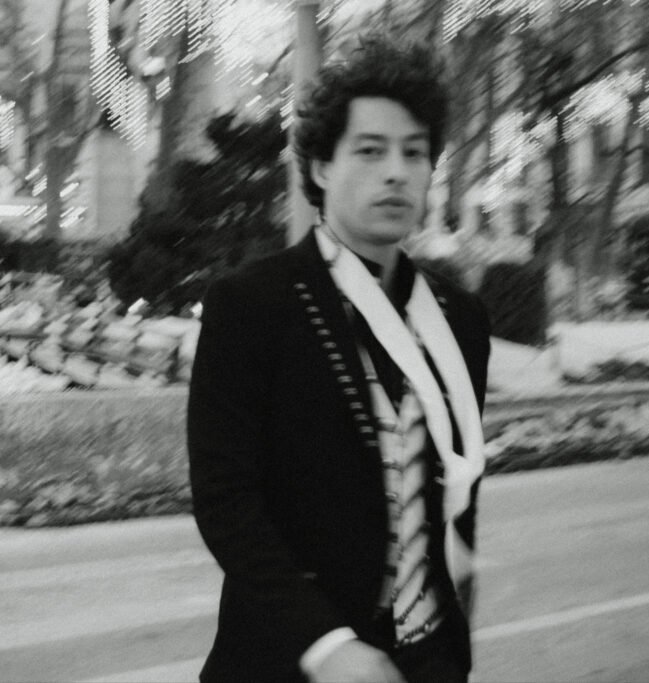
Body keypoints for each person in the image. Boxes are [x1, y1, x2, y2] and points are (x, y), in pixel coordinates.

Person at [187, 34, 491, 683]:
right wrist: (327, 645)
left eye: (415, 153)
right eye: (371, 150)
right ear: (321, 166)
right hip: (291, 660)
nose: (396, 172)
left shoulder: (461, 319)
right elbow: (226, 503)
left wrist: (451, 643)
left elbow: (456, 495)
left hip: (425, 660)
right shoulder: (253, 305)